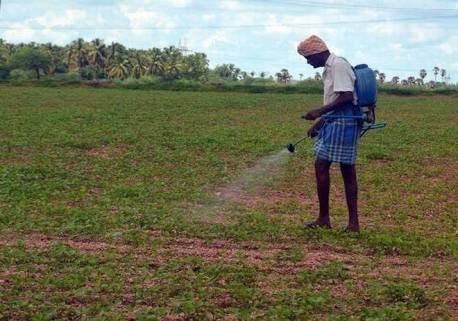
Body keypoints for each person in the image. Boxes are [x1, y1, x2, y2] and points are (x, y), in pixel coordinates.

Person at [297, 35, 361, 232]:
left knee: (332, 168)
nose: (308, 62)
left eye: (308, 58)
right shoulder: (330, 68)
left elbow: (347, 97)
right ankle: (345, 222)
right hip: (337, 121)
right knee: (343, 170)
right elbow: (336, 99)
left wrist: (319, 112)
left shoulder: (338, 66)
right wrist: (320, 123)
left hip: (344, 123)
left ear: (317, 53)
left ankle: (336, 221)